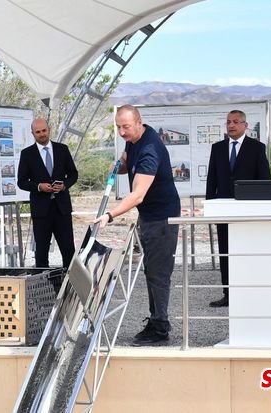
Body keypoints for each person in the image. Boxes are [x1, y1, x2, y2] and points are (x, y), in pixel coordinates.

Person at [95, 105, 180, 345]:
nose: (122, 132)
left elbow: (138, 194)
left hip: (162, 218)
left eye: (126, 127)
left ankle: (160, 328)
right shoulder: (134, 139)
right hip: (149, 216)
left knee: (158, 273)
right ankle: (156, 321)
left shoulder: (150, 149)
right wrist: (118, 166)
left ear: (139, 122)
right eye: (118, 127)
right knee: (151, 270)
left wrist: (109, 216)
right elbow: (125, 161)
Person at [205, 109, 271, 307]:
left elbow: (265, 180)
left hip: (248, 211)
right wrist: (211, 207)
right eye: (228, 122)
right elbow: (211, 181)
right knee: (225, 252)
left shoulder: (257, 148)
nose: (231, 125)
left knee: (248, 251)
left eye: (235, 122)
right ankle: (228, 293)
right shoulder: (217, 148)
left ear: (245, 125)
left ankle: (251, 291)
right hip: (224, 210)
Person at [17, 118, 78, 269]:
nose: (42, 134)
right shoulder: (27, 154)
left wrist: (64, 185)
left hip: (62, 209)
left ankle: (70, 286)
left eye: (44, 131)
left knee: (68, 249)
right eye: (38, 132)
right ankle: (43, 288)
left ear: (49, 130)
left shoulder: (62, 149)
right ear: (33, 134)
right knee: (41, 252)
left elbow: (73, 174)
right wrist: (38, 186)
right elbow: (21, 181)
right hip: (41, 211)